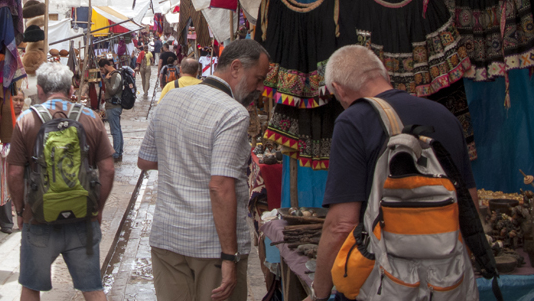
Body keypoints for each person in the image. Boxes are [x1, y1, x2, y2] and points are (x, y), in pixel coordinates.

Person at [304, 45, 479, 301]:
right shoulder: (444, 116)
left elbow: (341, 224)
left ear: (339, 89)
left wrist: (318, 293)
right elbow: (470, 205)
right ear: (385, 74)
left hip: (384, 283)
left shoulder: (353, 120)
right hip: (445, 282)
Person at [138, 39, 270, 301]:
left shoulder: (170, 96)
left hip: (167, 236)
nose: (260, 87)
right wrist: (229, 257)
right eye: (258, 78)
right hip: (211, 248)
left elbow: (145, 161)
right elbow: (220, 186)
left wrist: (182, 163)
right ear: (235, 67)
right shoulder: (233, 113)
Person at [7, 63, 115, 301]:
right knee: (93, 289)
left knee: (31, 288)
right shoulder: (91, 117)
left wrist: (20, 210)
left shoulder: (26, 119)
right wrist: (98, 208)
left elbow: (14, 174)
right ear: (70, 88)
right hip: (83, 219)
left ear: (41, 89)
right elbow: (107, 169)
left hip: (38, 218)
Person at [0, 88, 27, 234]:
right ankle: (6, 223)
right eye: (15, 99)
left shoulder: (26, 119)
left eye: (21, 100)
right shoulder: (1, 118)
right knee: (3, 184)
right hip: (3, 157)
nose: (18, 103)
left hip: (20, 160)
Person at [98, 58, 124, 162]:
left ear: (105, 66)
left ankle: (117, 153)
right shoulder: (114, 75)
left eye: (101, 69)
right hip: (113, 106)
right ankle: (119, 151)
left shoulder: (115, 75)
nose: (101, 72)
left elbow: (112, 90)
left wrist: (105, 79)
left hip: (113, 106)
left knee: (115, 130)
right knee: (117, 129)